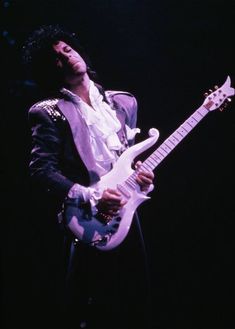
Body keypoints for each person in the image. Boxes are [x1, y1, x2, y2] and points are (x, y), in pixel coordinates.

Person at [22, 24, 155, 329]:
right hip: (86, 220)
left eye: (67, 49)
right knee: (92, 306)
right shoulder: (49, 111)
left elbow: (128, 160)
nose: (66, 57)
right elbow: (41, 171)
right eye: (56, 57)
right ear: (49, 70)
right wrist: (92, 195)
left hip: (126, 215)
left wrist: (142, 178)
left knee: (135, 299)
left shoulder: (124, 103)